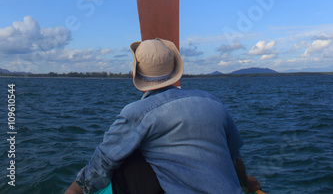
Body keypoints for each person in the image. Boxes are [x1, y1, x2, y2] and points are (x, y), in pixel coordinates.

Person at [65, 38, 261, 194]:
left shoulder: (137, 113)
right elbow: (234, 157)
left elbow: (103, 162)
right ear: (175, 69)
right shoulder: (213, 102)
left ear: (136, 74)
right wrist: (246, 183)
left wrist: (75, 189)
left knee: (126, 159)